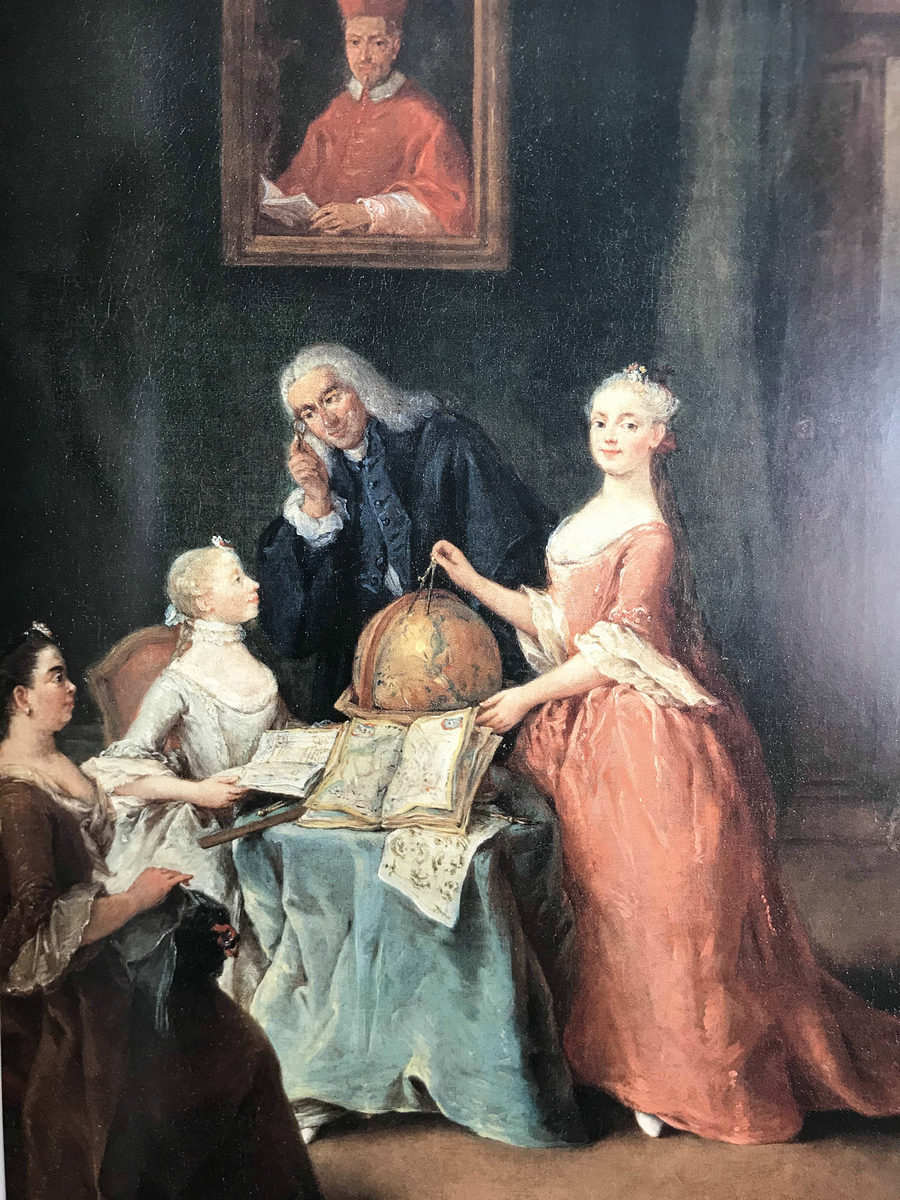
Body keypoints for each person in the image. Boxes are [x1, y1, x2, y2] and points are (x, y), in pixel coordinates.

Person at [432, 364, 900, 1145]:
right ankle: (619, 1068)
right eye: (601, 422)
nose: (611, 436)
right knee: (597, 909)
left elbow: (616, 650)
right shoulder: (589, 518)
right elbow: (563, 628)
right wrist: (476, 582)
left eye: (628, 423)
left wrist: (524, 697)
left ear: (660, 437)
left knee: (663, 911)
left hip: (642, 743)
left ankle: (676, 1079)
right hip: (577, 734)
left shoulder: (651, 534)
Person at [0, 623, 321, 1199]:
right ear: (21, 698)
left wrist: (189, 797)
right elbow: (38, 933)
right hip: (77, 990)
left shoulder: (58, 762)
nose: (71, 689)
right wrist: (137, 899)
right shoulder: (18, 799)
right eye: (57, 678)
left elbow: (108, 815)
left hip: (113, 944)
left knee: (238, 1031)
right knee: (235, 1055)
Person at [257, 343, 555, 721]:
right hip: (374, 669)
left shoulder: (445, 442)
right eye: (309, 413)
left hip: (459, 653)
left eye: (332, 398)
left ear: (362, 389)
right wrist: (318, 504)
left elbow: (503, 554)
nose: (327, 421)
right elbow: (297, 635)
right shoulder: (326, 486)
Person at [83, 540, 286, 1001]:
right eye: (237, 578)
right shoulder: (180, 679)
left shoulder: (255, 667)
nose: (254, 584)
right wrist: (197, 791)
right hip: (208, 830)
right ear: (206, 602)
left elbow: (281, 737)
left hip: (266, 816)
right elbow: (116, 772)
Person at [263, 0, 471, 237]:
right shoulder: (335, 111)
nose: (364, 56)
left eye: (377, 43)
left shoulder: (426, 118)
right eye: (354, 42)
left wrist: (366, 213)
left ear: (395, 47)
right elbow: (295, 186)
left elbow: (449, 208)